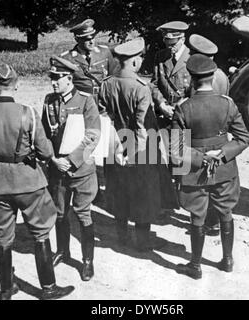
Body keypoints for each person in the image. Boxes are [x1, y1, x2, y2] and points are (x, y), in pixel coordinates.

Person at [0, 63, 74, 300]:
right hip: (29, 183)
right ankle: (48, 289)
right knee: (41, 233)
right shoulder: (28, 113)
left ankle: (5, 290)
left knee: (3, 237)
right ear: (16, 85)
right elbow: (45, 152)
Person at [172, 54, 249, 278]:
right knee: (226, 211)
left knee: (197, 216)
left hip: (194, 170)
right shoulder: (227, 104)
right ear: (212, 76)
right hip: (223, 169)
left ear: (192, 79)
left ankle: (195, 267)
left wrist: (202, 158)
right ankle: (227, 260)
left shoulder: (183, 108)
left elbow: (176, 150)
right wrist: (222, 154)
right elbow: (244, 139)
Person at [98, 37, 167, 252]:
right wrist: (134, 154)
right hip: (139, 148)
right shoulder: (140, 88)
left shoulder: (106, 83)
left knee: (118, 192)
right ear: (135, 61)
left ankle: (122, 237)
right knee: (142, 195)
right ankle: (143, 243)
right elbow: (141, 126)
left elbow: (103, 117)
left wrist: (116, 147)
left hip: (114, 145)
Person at [42, 56, 100, 281]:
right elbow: (45, 134)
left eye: (57, 78)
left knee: (83, 213)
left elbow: (93, 136)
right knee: (59, 212)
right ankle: (63, 252)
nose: (53, 82)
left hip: (81, 170)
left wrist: (72, 160)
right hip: (57, 168)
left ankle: (87, 261)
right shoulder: (49, 101)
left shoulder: (86, 101)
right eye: (52, 78)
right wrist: (53, 158)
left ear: (69, 79)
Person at [60, 18, 117, 206]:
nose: (91, 41)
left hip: (103, 108)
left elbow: (113, 80)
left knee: (107, 150)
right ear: (77, 38)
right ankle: (90, 188)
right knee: (87, 149)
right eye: (86, 39)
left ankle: (106, 188)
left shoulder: (106, 53)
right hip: (82, 111)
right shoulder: (68, 58)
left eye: (93, 37)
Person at [188, 33, 231, 237]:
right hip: (219, 135)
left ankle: (208, 222)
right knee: (218, 180)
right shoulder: (221, 75)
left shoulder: (201, 78)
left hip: (201, 137)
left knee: (203, 181)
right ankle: (213, 221)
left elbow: (194, 107)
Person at [151, 21, 190, 128]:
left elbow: (196, 87)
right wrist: (161, 104)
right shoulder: (160, 56)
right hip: (164, 113)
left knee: (181, 144)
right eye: (167, 44)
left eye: (173, 44)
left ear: (182, 39)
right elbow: (154, 84)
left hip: (185, 113)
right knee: (163, 143)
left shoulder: (192, 57)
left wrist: (182, 105)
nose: (169, 47)